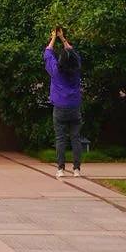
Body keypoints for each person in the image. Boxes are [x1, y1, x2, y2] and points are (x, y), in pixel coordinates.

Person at [44, 26, 83, 178]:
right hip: (74, 106)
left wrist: (54, 37)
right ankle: (76, 169)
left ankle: (60, 169)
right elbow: (73, 54)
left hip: (60, 107)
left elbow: (48, 53)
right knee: (75, 138)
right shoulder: (76, 70)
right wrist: (63, 38)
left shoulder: (56, 71)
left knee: (60, 138)